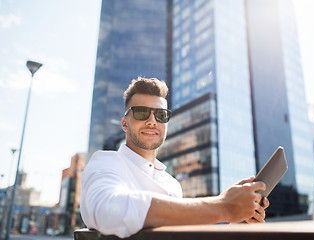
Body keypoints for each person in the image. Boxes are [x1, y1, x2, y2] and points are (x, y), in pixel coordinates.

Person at [80, 77, 269, 238]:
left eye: (160, 115)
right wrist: (224, 206)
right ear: (124, 124)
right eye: (141, 112)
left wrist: (237, 220)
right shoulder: (106, 162)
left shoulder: (171, 184)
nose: (152, 121)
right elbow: (109, 211)